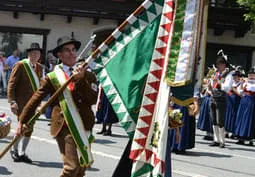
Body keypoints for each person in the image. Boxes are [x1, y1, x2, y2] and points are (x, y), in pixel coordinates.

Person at [16, 36, 98, 177]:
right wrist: (22, 121)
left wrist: (79, 79)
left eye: (73, 50)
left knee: (80, 169)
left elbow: (92, 100)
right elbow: (35, 99)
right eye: (67, 50)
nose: (72, 53)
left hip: (84, 124)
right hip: (64, 125)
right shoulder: (53, 77)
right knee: (71, 168)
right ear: (59, 55)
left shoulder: (87, 75)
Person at [8, 43, 43, 163]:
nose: (36, 55)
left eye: (38, 53)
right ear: (29, 54)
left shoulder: (40, 67)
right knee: (21, 127)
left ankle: (22, 152)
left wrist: (40, 103)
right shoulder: (21, 65)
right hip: (21, 103)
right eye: (33, 53)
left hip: (33, 103)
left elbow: (40, 86)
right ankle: (14, 149)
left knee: (30, 128)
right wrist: (12, 101)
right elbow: (11, 84)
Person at [208, 51, 233, 148]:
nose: (218, 66)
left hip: (221, 99)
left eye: (220, 64)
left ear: (224, 65)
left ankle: (223, 141)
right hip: (213, 97)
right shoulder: (216, 74)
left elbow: (227, 88)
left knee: (220, 121)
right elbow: (211, 84)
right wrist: (210, 85)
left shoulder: (228, 75)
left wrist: (218, 82)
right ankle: (216, 140)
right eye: (218, 64)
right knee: (213, 120)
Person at [235, 67, 255, 146]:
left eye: (252, 75)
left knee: (249, 119)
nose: (250, 76)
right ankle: (241, 138)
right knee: (241, 118)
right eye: (249, 74)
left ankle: (250, 138)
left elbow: (252, 89)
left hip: (251, 101)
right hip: (244, 101)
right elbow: (240, 92)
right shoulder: (245, 82)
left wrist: (247, 82)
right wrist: (242, 83)